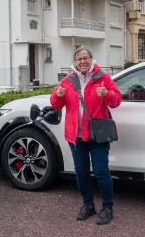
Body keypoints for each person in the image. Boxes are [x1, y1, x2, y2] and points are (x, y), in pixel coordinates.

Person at [50, 46, 122, 225]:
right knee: (81, 173)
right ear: (75, 62)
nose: (82, 61)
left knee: (101, 172)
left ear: (91, 60)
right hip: (76, 136)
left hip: (96, 136)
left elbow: (117, 100)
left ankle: (107, 208)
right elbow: (56, 104)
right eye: (79, 59)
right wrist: (57, 96)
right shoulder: (68, 80)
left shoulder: (103, 78)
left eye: (85, 58)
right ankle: (88, 205)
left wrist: (107, 94)